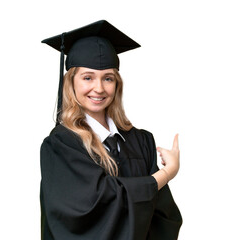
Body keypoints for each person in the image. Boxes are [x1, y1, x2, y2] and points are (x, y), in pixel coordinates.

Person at [40, 20, 182, 240]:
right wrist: (167, 174)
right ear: (71, 83)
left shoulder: (140, 140)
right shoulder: (61, 145)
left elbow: (164, 216)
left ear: (117, 85)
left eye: (108, 78)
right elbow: (98, 202)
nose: (99, 88)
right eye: (87, 77)